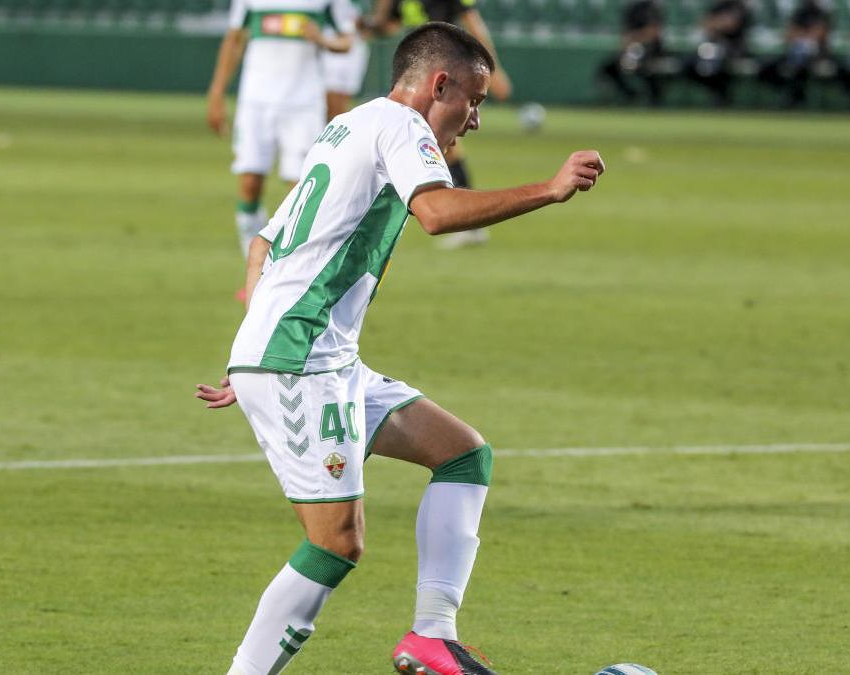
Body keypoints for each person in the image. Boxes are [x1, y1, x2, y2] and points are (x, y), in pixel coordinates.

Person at [196, 22, 604, 675]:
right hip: (301, 356)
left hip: (312, 354)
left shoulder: (349, 125)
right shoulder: (401, 127)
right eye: (472, 101)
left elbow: (262, 244)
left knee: (464, 455)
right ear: (437, 84)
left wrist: (252, 344)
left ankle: (432, 635)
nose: (473, 122)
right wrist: (549, 190)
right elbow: (437, 215)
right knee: (336, 544)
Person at [206, 0, 357, 284]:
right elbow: (234, 38)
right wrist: (216, 92)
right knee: (249, 184)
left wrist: (322, 40)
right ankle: (256, 272)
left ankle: (294, 274)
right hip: (255, 102)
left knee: (301, 191)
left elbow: (348, 41)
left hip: (303, 104)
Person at [366, 0, 513, 248]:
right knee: (439, 144)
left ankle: (464, 219)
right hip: (419, 71)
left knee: (442, 142)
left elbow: (472, 22)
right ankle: (467, 221)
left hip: (447, 72)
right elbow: (388, 26)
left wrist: (493, 70)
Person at [757, 0, 831, 108]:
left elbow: (819, 34)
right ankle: (786, 92)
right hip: (794, 52)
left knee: (800, 67)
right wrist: (802, 35)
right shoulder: (799, 12)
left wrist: (803, 35)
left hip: (814, 55)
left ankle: (795, 99)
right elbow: (789, 34)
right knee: (766, 67)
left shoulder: (821, 13)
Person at [598, 0, 667, 107]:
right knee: (609, 67)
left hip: (651, 50)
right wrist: (626, 46)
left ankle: (655, 98)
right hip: (632, 49)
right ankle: (630, 94)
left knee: (646, 68)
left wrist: (634, 38)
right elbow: (625, 35)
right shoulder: (632, 8)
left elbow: (653, 32)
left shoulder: (651, 7)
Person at [684, 0, 753, 107]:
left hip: (734, 48)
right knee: (688, 64)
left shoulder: (740, 6)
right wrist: (718, 23)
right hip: (712, 47)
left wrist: (716, 23)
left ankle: (720, 94)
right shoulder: (719, 5)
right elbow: (703, 23)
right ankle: (714, 90)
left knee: (718, 62)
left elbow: (731, 24)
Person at [321, 0, 372, 120]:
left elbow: (368, 27)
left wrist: (366, 25)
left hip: (356, 50)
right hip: (331, 48)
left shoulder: (362, 3)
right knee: (330, 101)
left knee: (344, 103)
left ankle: (339, 135)